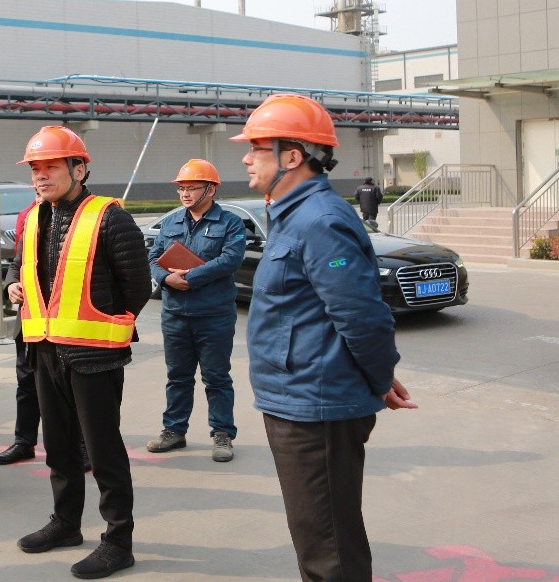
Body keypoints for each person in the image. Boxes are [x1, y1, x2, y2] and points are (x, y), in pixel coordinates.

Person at [230, 94, 417, 581]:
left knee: (329, 547)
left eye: (256, 148)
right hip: (296, 398)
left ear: (292, 156)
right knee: (316, 533)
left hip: (317, 406)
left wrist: (380, 378)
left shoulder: (320, 221)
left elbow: (362, 315)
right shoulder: (293, 213)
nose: (247, 158)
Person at [5, 126, 151, 580]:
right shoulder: (33, 218)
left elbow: (137, 288)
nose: (40, 175)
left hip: (94, 356)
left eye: (50, 166)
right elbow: (20, 267)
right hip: (44, 351)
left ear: (80, 169)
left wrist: (103, 321)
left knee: (103, 452)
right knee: (59, 447)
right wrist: (13, 285)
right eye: (35, 168)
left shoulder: (110, 218)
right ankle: (66, 523)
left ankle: (118, 541)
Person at [145, 159, 246, 463]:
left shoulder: (230, 223)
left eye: (192, 187)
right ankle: (174, 431)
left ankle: (222, 434)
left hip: (214, 315)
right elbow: (153, 257)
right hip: (175, 314)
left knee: (216, 377)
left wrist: (191, 277)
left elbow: (231, 259)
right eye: (181, 188)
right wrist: (166, 279)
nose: (185, 193)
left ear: (210, 189)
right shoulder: (172, 222)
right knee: (177, 376)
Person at [0, 192, 92, 472]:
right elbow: (17, 265)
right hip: (30, 323)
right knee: (27, 385)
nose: (42, 196)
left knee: (72, 389)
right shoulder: (33, 224)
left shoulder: (86, 223)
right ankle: (24, 441)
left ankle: (83, 446)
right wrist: (11, 285)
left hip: (68, 326)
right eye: (37, 190)